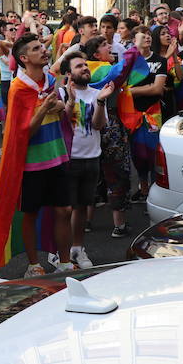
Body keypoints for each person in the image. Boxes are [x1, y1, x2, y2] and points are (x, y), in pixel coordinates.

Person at [0, 35, 74, 278]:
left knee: (64, 210)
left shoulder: (51, 81)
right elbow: (23, 132)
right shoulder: (18, 88)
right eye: (36, 49)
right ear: (24, 58)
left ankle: (64, 261)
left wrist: (56, 106)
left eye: (43, 47)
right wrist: (45, 107)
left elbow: (61, 110)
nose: (44, 51)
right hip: (32, 163)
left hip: (58, 156)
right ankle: (33, 264)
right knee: (30, 213)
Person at [61, 52, 115, 268]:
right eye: (78, 66)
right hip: (67, 159)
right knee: (64, 209)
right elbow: (61, 125)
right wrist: (70, 101)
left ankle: (77, 249)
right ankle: (60, 251)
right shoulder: (60, 93)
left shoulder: (96, 93)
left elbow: (98, 125)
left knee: (82, 206)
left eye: (85, 65)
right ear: (68, 73)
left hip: (92, 158)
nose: (85, 68)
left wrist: (101, 102)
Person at [82, 37, 132, 238]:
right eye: (104, 45)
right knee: (115, 171)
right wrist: (134, 49)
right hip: (110, 124)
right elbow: (124, 67)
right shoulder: (104, 69)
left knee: (93, 173)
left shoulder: (85, 69)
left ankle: (86, 221)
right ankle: (119, 225)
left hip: (89, 124)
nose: (109, 46)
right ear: (96, 54)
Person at [127, 29, 167, 202]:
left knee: (152, 153)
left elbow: (157, 89)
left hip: (153, 113)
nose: (148, 38)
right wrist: (146, 88)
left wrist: (130, 91)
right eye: (143, 36)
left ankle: (153, 190)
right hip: (131, 114)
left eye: (149, 35)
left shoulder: (160, 61)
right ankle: (143, 189)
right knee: (137, 153)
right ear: (134, 41)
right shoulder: (129, 61)